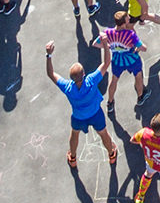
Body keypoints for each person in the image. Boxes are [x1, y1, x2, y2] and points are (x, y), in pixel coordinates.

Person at [46, 39, 117, 167]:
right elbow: (106, 63)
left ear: (71, 78)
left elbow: (51, 74)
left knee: (74, 135)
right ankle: (111, 155)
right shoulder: (91, 81)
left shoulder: (67, 87)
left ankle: (73, 158)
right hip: (95, 113)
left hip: (78, 117)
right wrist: (106, 44)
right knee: (103, 134)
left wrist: (48, 55)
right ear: (84, 74)